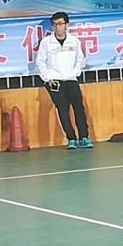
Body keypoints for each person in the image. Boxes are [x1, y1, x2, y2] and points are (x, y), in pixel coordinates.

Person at [36, 11, 92, 149]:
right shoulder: (46, 42)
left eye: (60, 24)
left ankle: (84, 137)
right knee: (62, 109)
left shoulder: (74, 40)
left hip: (71, 79)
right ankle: (71, 138)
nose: (58, 27)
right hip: (54, 81)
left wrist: (75, 73)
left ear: (66, 25)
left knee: (78, 108)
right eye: (55, 24)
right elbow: (40, 62)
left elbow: (80, 59)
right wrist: (48, 79)